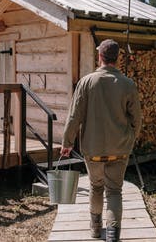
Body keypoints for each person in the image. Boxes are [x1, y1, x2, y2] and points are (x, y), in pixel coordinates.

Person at [60, 38, 142, 242]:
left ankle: (95, 230)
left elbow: (74, 117)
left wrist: (67, 143)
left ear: (99, 56)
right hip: (120, 149)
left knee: (96, 187)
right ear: (118, 58)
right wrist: (131, 138)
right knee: (114, 191)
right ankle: (113, 236)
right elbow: (137, 119)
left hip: (93, 150)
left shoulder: (86, 82)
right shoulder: (128, 84)